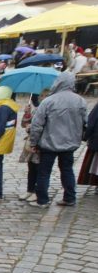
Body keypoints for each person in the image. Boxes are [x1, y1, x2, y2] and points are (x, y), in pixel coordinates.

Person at [30, 72, 88, 207]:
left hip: (49, 143)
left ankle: (42, 200)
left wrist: (34, 142)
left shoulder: (49, 101)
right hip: (70, 143)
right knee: (67, 170)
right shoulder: (80, 100)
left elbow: (37, 124)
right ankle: (69, 198)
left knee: (44, 172)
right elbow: (85, 122)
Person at [19, 92, 46, 202]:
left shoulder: (48, 109)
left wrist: (31, 128)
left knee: (39, 168)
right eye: (41, 96)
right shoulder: (37, 109)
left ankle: (37, 191)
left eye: (44, 96)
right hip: (32, 141)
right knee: (31, 167)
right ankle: (30, 190)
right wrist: (27, 114)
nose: (42, 98)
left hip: (42, 142)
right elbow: (24, 124)